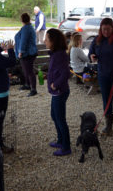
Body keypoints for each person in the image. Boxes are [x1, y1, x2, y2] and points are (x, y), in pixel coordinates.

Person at [45, 28, 71, 156]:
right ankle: (61, 141)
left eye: (46, 39)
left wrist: (55, 84)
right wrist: (48, 76)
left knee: (60, 119)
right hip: (57, 92)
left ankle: (66, 147)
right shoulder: (56, 54)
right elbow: (57, 71)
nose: (44, 41)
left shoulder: (59, 55)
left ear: (53, 41)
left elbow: (66, 73)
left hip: (60, 91)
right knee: (54, 116)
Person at [14, 13, 38, 97]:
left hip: (27, 54)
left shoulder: (26, 28)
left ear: (22, 20)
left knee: (29, 71)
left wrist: (20, 52)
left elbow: (23, 41)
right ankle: (28, 85)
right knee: (26, 70)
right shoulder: (28, 27)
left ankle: (33, 89)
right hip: (29, 53)